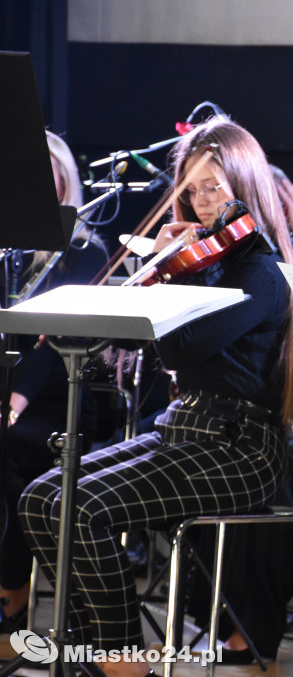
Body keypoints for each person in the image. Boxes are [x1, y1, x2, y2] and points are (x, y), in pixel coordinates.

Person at [19, 116, 293, 677]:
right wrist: (160, 268)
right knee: (41, 499)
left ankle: (124, 661)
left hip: (240, 448)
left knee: (85, 509)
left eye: (213, 186)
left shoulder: (262, 272)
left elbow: (183, 348)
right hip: (184, 427)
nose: (199, 202)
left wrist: (169, 275)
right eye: (191, 189)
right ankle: (89, 648)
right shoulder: (209, 263)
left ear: (244, 184)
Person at [0, 131, 109, 635]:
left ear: (66, 182)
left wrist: (15, 401)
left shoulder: (86, 250)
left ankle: (10, 596)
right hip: (9, 394)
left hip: (58, 399)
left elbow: (52, 337)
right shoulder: (8, 250)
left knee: (10, 449)